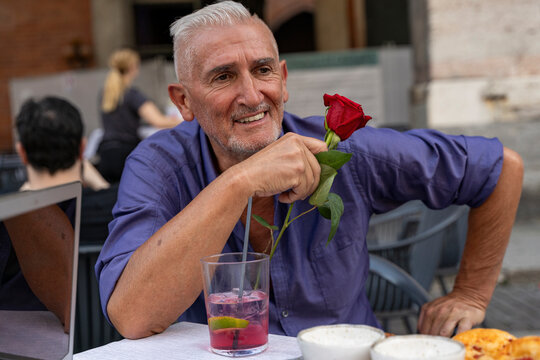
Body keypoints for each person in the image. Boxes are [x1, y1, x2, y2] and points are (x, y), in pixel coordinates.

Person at [95, 1, 523, 340]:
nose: (251, 94)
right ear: (183, 101)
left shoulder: (337, 147)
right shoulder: (158, 165)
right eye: (223, 77)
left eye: (262, 71)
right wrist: (241, 181)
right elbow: (132, 316)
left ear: (282, 80)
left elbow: (501, 167)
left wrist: (470, 294)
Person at [97, 48, 182, 183]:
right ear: (133, 67)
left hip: (105, 154)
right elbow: (158, 121)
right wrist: (185, 119)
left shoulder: (105, 94)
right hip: (124, 155)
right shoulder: (132, 94)